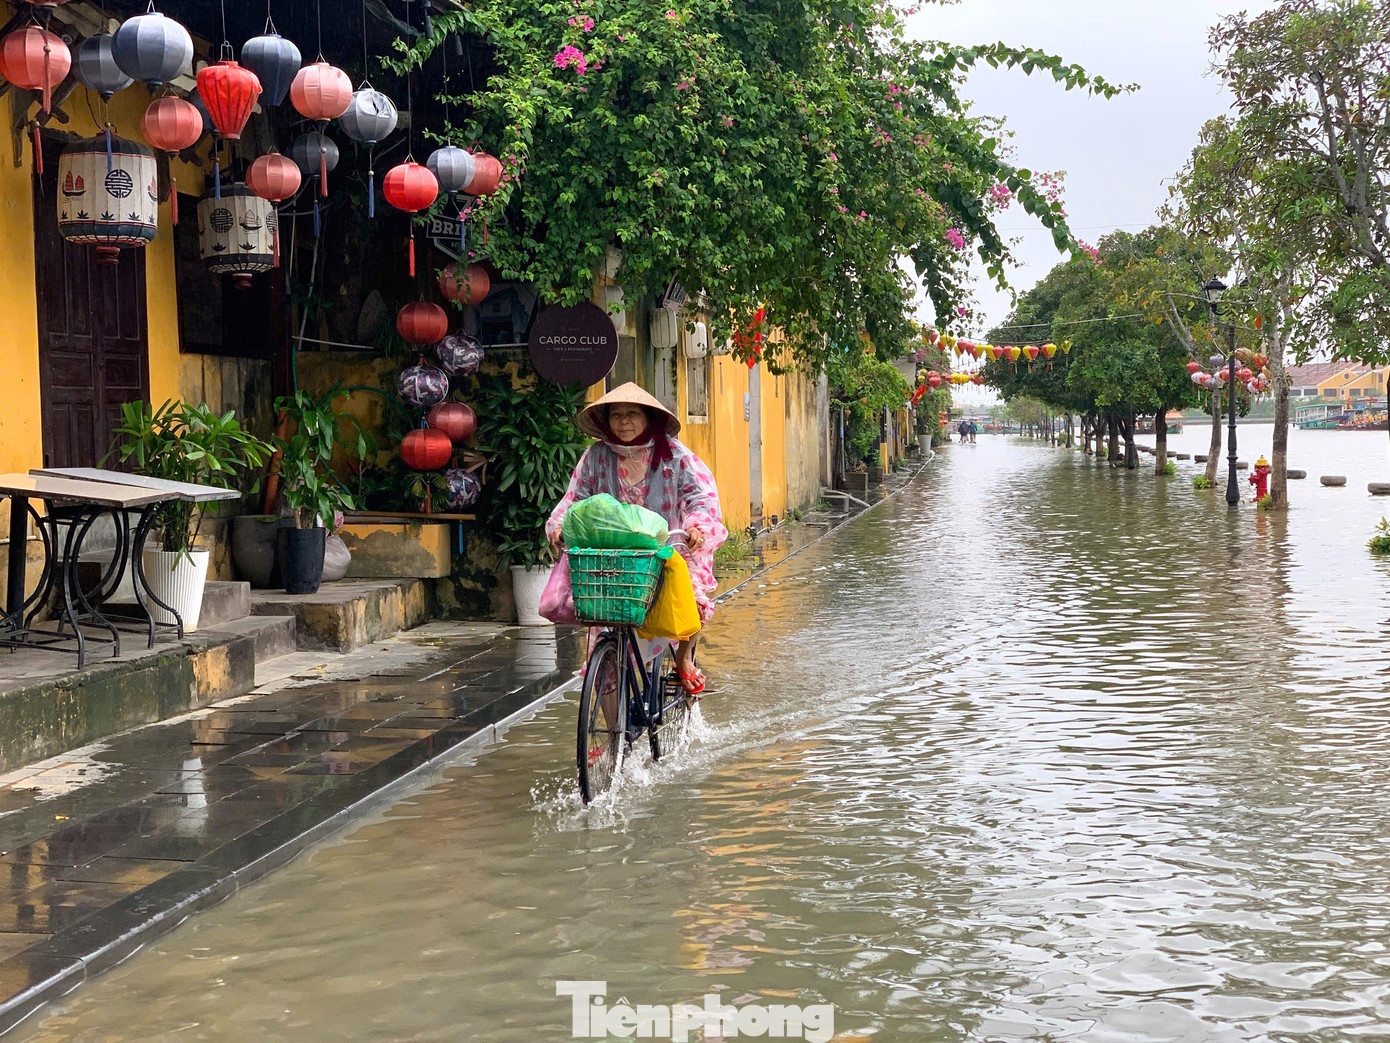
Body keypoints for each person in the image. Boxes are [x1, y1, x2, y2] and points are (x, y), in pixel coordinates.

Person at [547, 383, 727, 694]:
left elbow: (702, 497)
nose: (624, 421)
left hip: (668, 548)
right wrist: (560, 524)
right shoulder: (597, 456)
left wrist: (697, 527)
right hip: (611, 552)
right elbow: (575, 497)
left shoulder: (675, 456)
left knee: (692, 596)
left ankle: (683, 661)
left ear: (648, 418)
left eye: (632, 414)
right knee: (601, 645)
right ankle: (612, 739)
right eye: (616, 415)